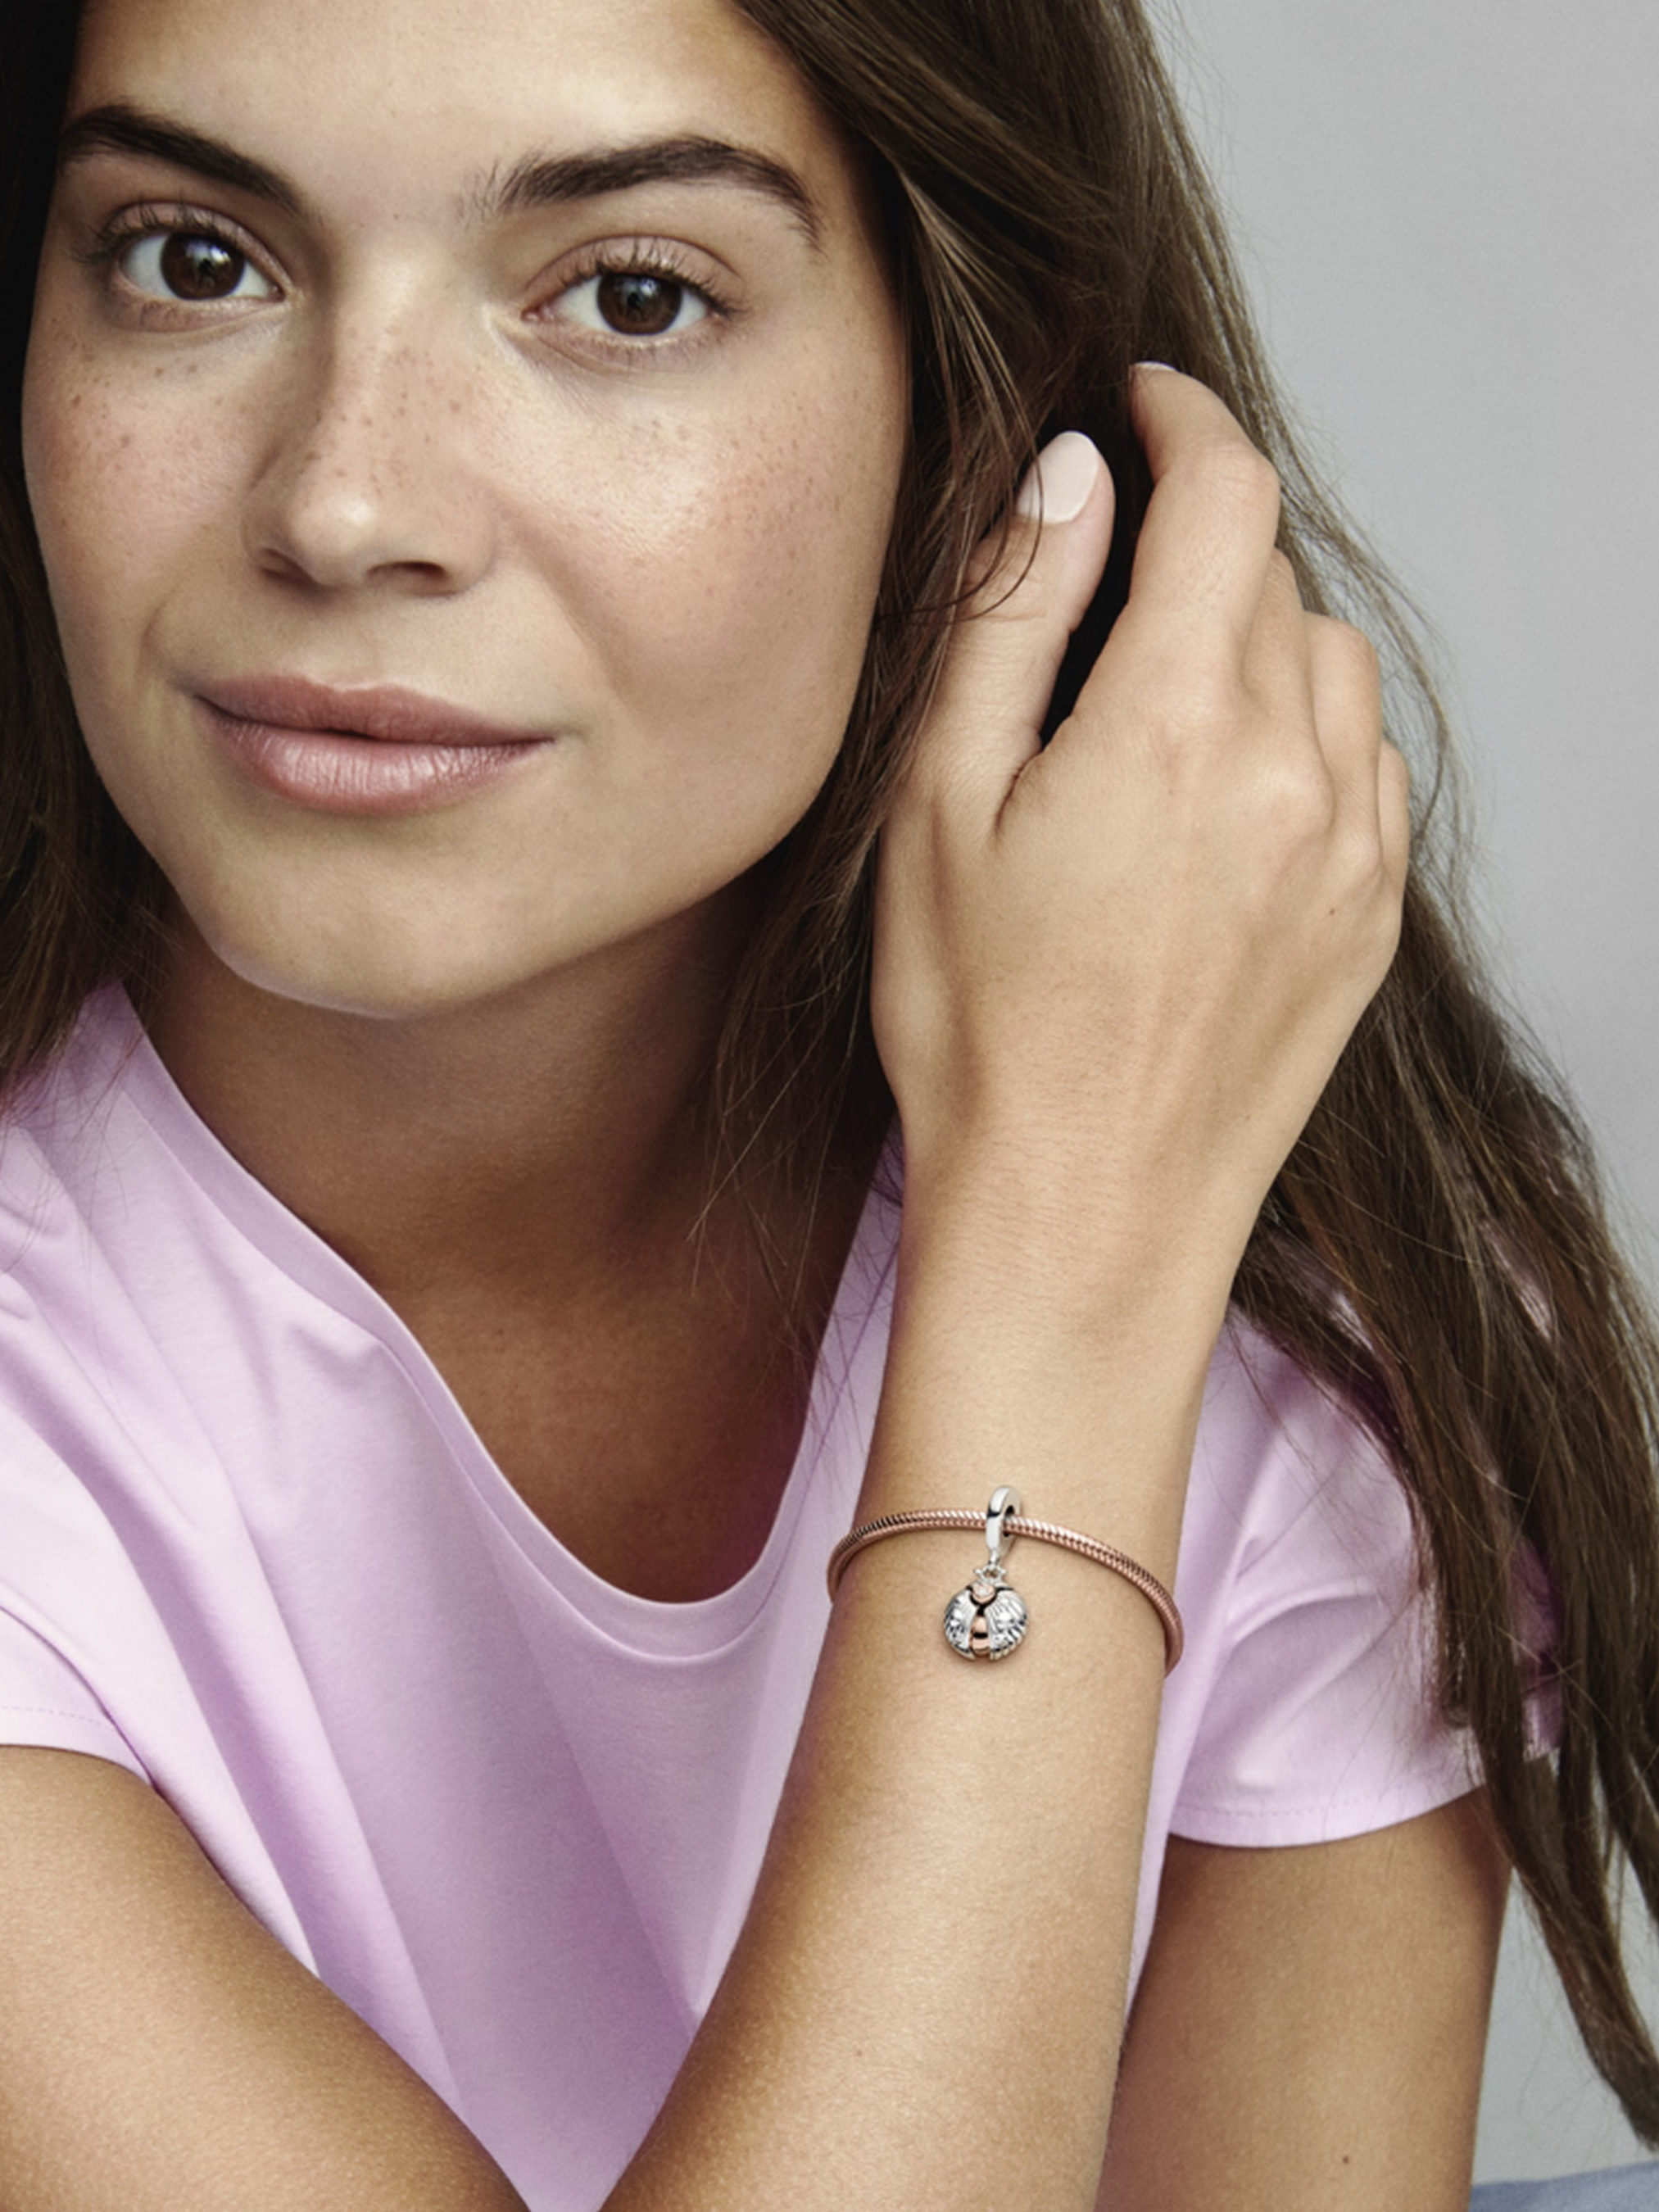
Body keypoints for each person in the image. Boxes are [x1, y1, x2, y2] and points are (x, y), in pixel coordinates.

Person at [0, 0, 1656, 2205]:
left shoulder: (1277, 1272)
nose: (345, 503)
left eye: (629, 295)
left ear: (971, 423)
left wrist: (1074, 1241)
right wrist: (1064, 1309)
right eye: (193, 258)